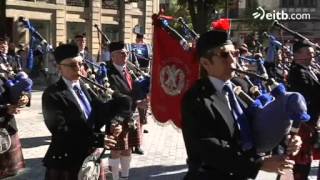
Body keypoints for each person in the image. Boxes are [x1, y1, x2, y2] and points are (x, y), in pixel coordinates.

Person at [181, 30, 301, 180]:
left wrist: (287, 140)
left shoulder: (242, 86)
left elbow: (262, 123)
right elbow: (209, 148)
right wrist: (258, 164)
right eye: (225, 55)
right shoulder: (196, 99)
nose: (232, 60)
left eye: (235, 53)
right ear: (205, 62)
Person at [42, 44, 127, 180]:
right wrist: (97, 139)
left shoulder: (84, 87)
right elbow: (60, 131)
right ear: (59, 68)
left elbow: (100, 111)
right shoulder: (52, 94)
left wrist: (114, 122)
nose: (78, 68)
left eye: (80, 64)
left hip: (90, 157)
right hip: (67, 160)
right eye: (72, 65)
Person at [107, 41, 148, 180]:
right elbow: (113, 96)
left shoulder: (129, 71)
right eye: (122, 53)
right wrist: (136, 102)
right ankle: (114, 178)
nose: (126, 55)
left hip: (131, 115)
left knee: (127, 148)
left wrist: (141, 101)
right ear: (113, 56)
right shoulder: (107, 73)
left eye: (126, 52)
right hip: (116, 117)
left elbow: (134, 92)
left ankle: (124, 177)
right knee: (115, 150)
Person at [287, 40, 320, 180]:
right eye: (308, 54)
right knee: (300, 159)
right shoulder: (297, 72)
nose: (311, 57)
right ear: (296, 55)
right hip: (302, 123)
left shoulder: (309, 70)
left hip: (311, 121)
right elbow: (308, 93)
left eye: (312, 54)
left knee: (307, 157)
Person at [0, 36, 30, 179]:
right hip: (2, 112)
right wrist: (5, 108)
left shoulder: (12, 60)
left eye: (5, 43)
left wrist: (25, 96)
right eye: (0, 44)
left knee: (10, 172)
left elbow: (21, 81)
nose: (3, 46)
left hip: (8, 120)